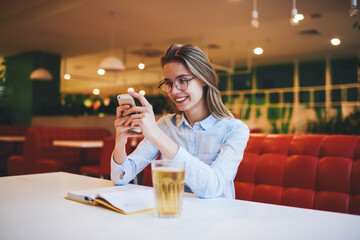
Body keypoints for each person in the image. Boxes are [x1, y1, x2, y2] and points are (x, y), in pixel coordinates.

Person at [111, 44, 249, 199]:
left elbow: (213, 187)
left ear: (204, 79)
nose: (174, 91)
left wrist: (156, 135)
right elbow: (120, 177)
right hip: (171, 216)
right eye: (169, 83)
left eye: (182, 80)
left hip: (216, 219)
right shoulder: (165, 125)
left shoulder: (236, 129)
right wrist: (121, 140)